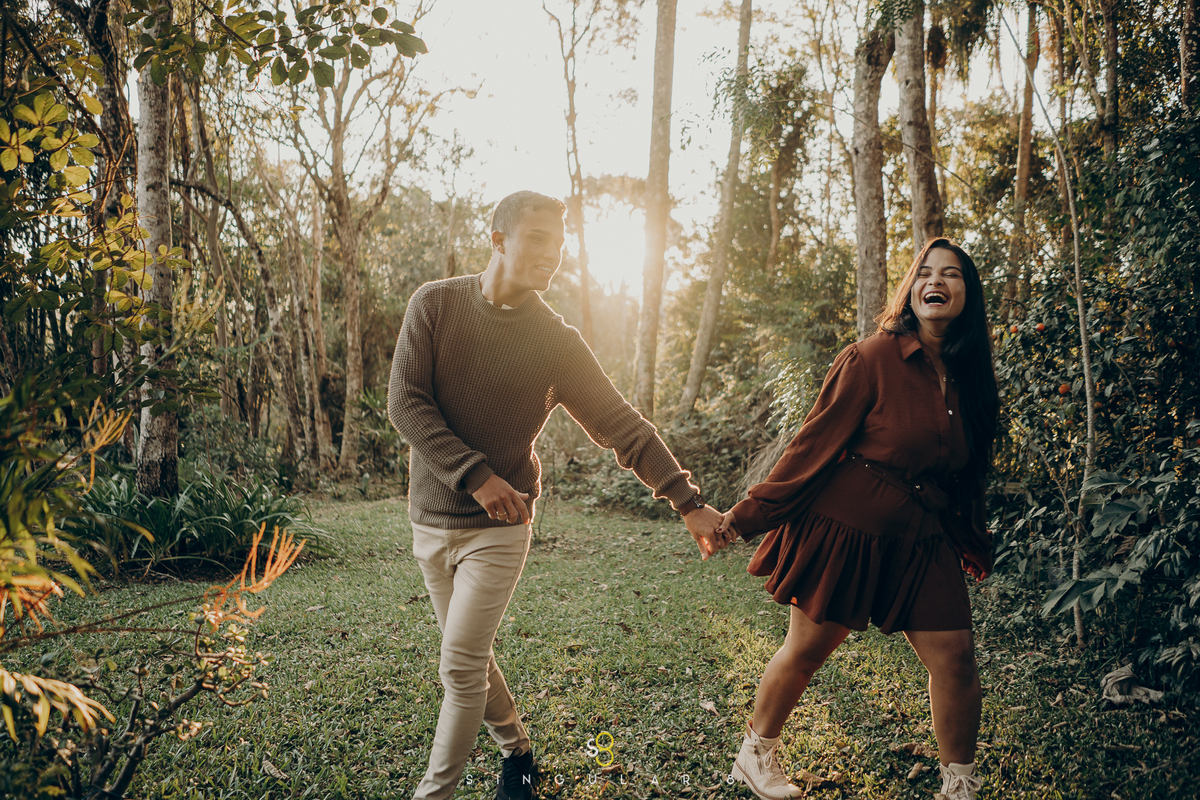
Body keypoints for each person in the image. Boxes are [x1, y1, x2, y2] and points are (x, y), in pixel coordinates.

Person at [387, 190, 728, 800]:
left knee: (460, 665)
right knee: (471, 656)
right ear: (498, 239)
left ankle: (433, 793)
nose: (553, 253)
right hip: (431, 519)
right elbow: (405, 403)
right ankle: (517, 751)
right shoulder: (434, 305)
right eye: (538, 238)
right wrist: (474, 474)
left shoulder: (555, 340)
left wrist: (686, 500)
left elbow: (620, 425)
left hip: (500, 529)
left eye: (560, 242)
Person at [716, 237, 998, 800]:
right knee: (808, 650)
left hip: (925, 537)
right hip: (848, 529)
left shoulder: (971, 377)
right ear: (911, 289)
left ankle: (959, 788)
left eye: (951, 274)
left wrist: (968, 537)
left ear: (968, 293)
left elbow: (966, 474)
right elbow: (810, 446)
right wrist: (742, 519)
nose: (935, 281)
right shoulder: (871, 358)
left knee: (957, 657)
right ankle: (754, 756)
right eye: (924, 272)